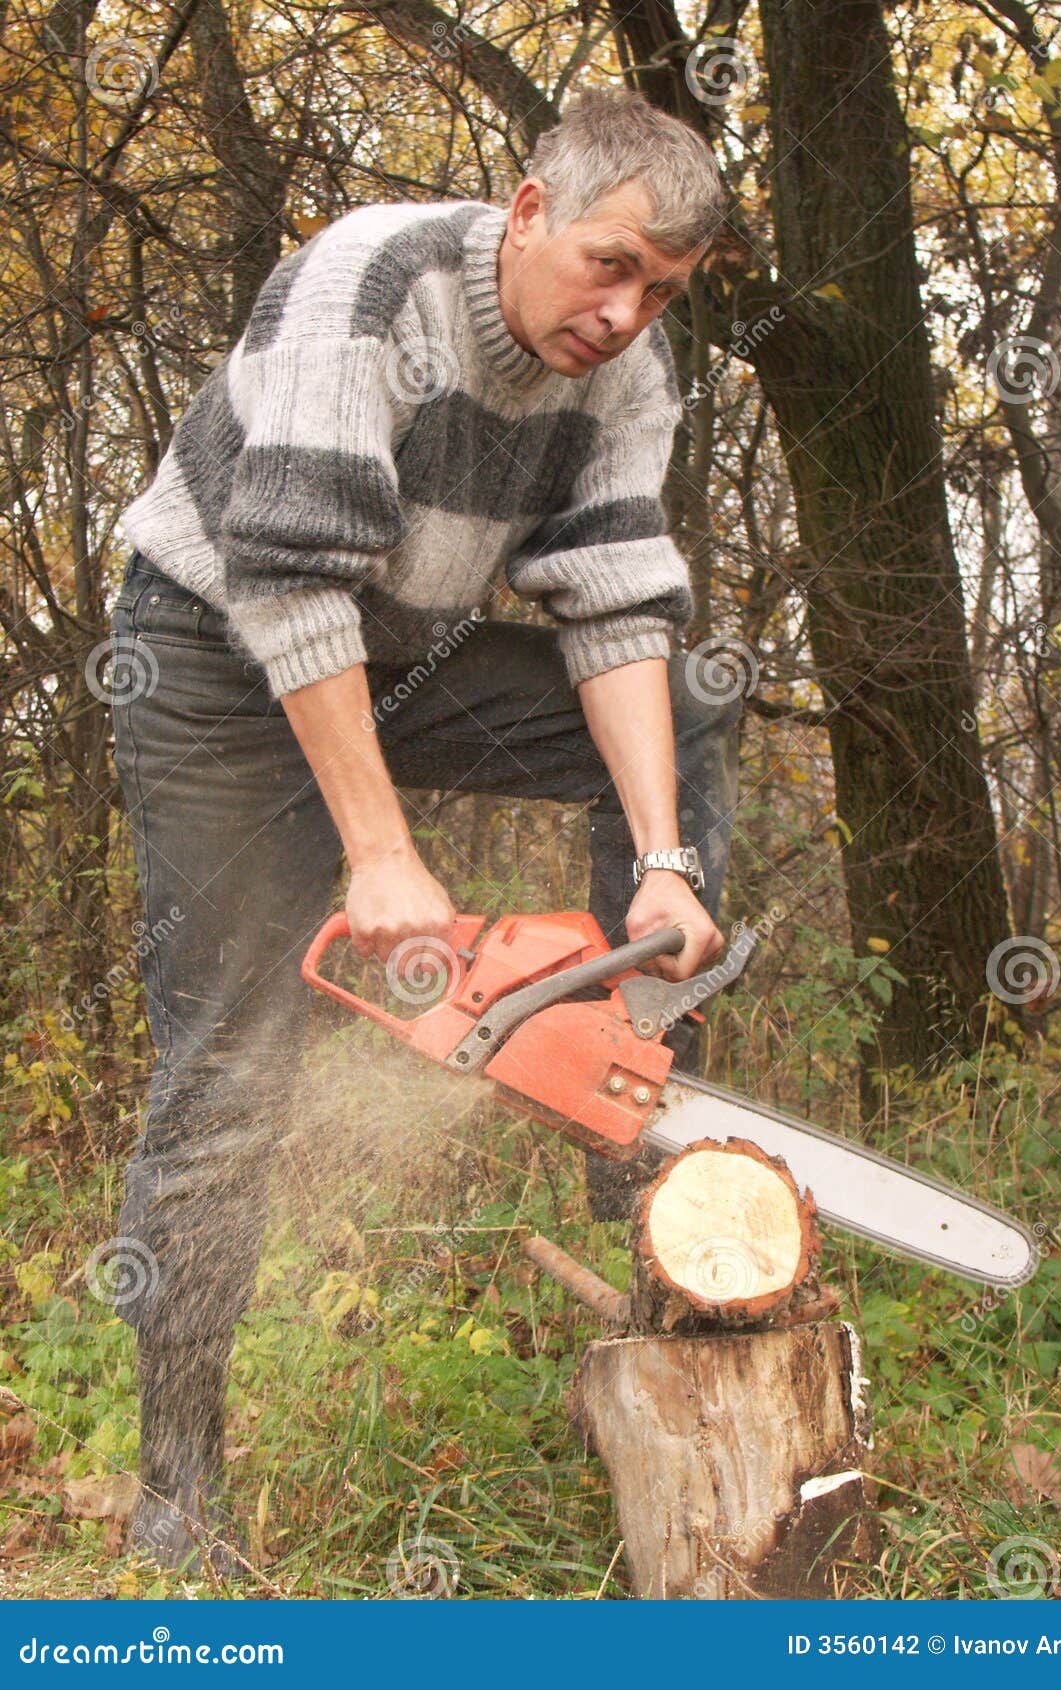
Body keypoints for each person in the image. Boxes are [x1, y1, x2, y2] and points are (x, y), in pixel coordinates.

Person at [106, 87, 740, 1573]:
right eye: (608, 263)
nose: (625, 310)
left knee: (692, 715)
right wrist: (381, 850)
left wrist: (661, 860)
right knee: (229, 1059)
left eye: (659, 289)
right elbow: (286, 578)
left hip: (404, 659)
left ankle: (631, 1137)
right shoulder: (370, 279)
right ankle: (178, 1487)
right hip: (214, 652)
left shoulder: (626, 373)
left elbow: (617, 607)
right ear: (526, 211)